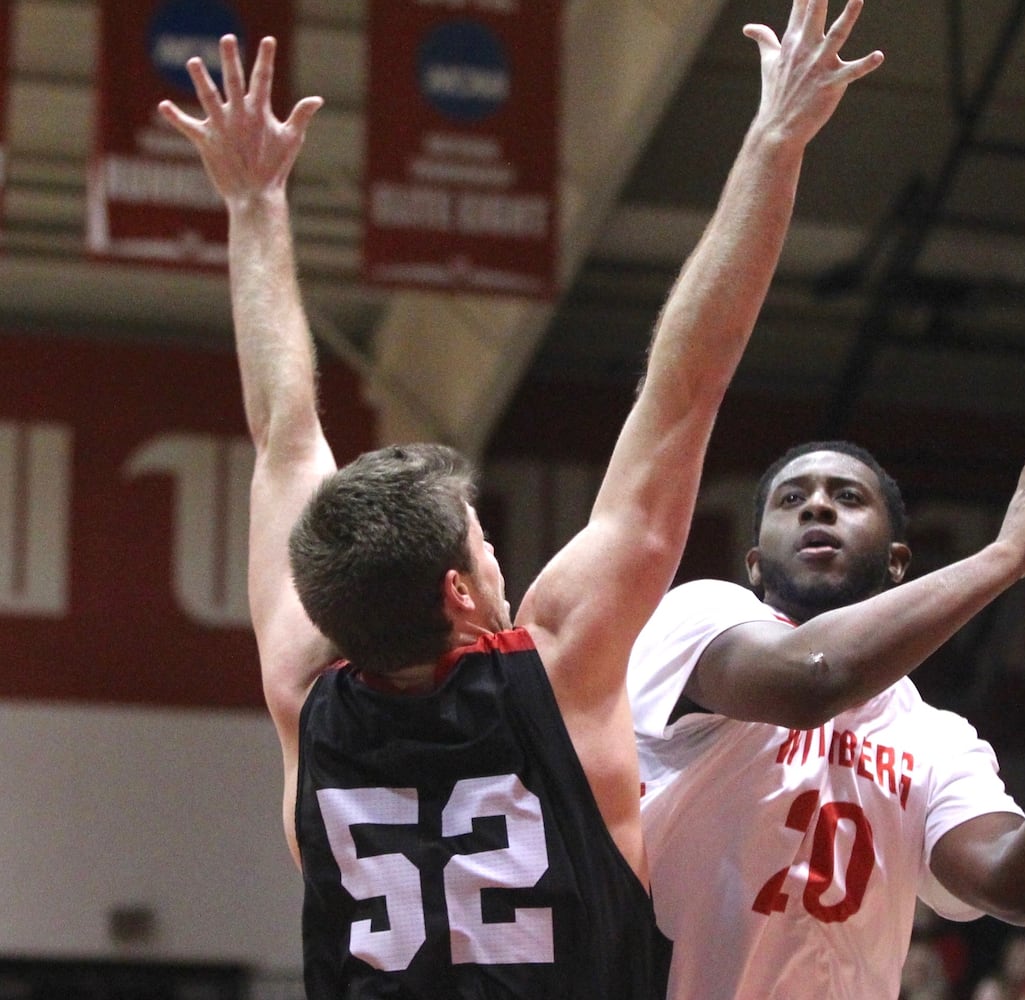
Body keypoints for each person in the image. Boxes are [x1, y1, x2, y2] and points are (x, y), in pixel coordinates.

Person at [158, 5, 882, 996]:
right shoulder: (562, 670)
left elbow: (286, 432)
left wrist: (249, 210)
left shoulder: (306, 695)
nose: (500, 556)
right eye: (483, 539)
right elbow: (685, 385)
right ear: (460, 592)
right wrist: (775, 139)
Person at [628, 434, 1025, 998]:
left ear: (898, 562)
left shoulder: (937, 741)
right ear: (756, 563)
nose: (817, 507)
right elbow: (812, 679)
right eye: (793, 498)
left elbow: (1021, 887)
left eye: (847, 497)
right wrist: (1007, 556)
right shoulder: (697, 618)